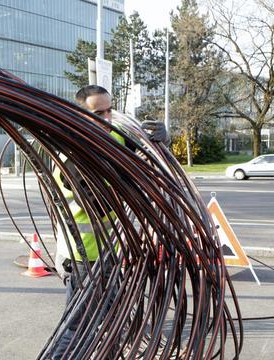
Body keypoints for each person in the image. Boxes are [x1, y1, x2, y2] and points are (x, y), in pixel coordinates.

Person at [51, 85, 168, 359]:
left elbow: (146, 154)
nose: (106, 119)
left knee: (114, 318)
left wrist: (158, 140)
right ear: (80, 114)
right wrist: (139, 175)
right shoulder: (71, 157)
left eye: (108, 110)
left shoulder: (114, 135)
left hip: (110, 255)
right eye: (97, 113)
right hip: (85, 261)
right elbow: (101, 206)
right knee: (79, 328)